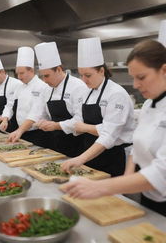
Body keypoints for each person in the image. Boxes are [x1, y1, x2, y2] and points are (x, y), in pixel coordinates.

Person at [61, 39, 166, 217]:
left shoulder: (117, 94)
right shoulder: (149, 104)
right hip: (149, 193)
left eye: (141, 77)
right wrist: (127, 178)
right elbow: (137, 144)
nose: (135, 85)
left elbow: (161, 172)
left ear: (164, 70)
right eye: (133, 78)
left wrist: (100, 187)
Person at [62, 37, 135, 176]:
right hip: (90, 151)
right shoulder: (87, 91)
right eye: (81, 75)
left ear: (101, 71)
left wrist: (80, 158)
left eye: (88, 75)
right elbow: (79, 121)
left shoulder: (116, 94)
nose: (84, 80)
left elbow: (109, 134)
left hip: (110, 156)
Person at [33, 42, 88, 156]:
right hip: (55, 144)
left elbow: (80, 120)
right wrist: (41, 122)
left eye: (47, 76)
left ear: (58, 69)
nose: (44, 80)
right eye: (42, 76)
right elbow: (40, 112)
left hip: (77, 145)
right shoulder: (47, 89)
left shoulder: (77, 86)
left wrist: (56, 125)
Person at [0, 46, 51, 147]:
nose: (19, 77)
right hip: (22, 132)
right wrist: (5, 119)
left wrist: (20, 130)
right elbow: (10, 105)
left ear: (31, 70)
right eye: (17, 73)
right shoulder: (19, 87)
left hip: (39, 134)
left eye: (21, 73)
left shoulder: (42, 86)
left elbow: (35, 113)